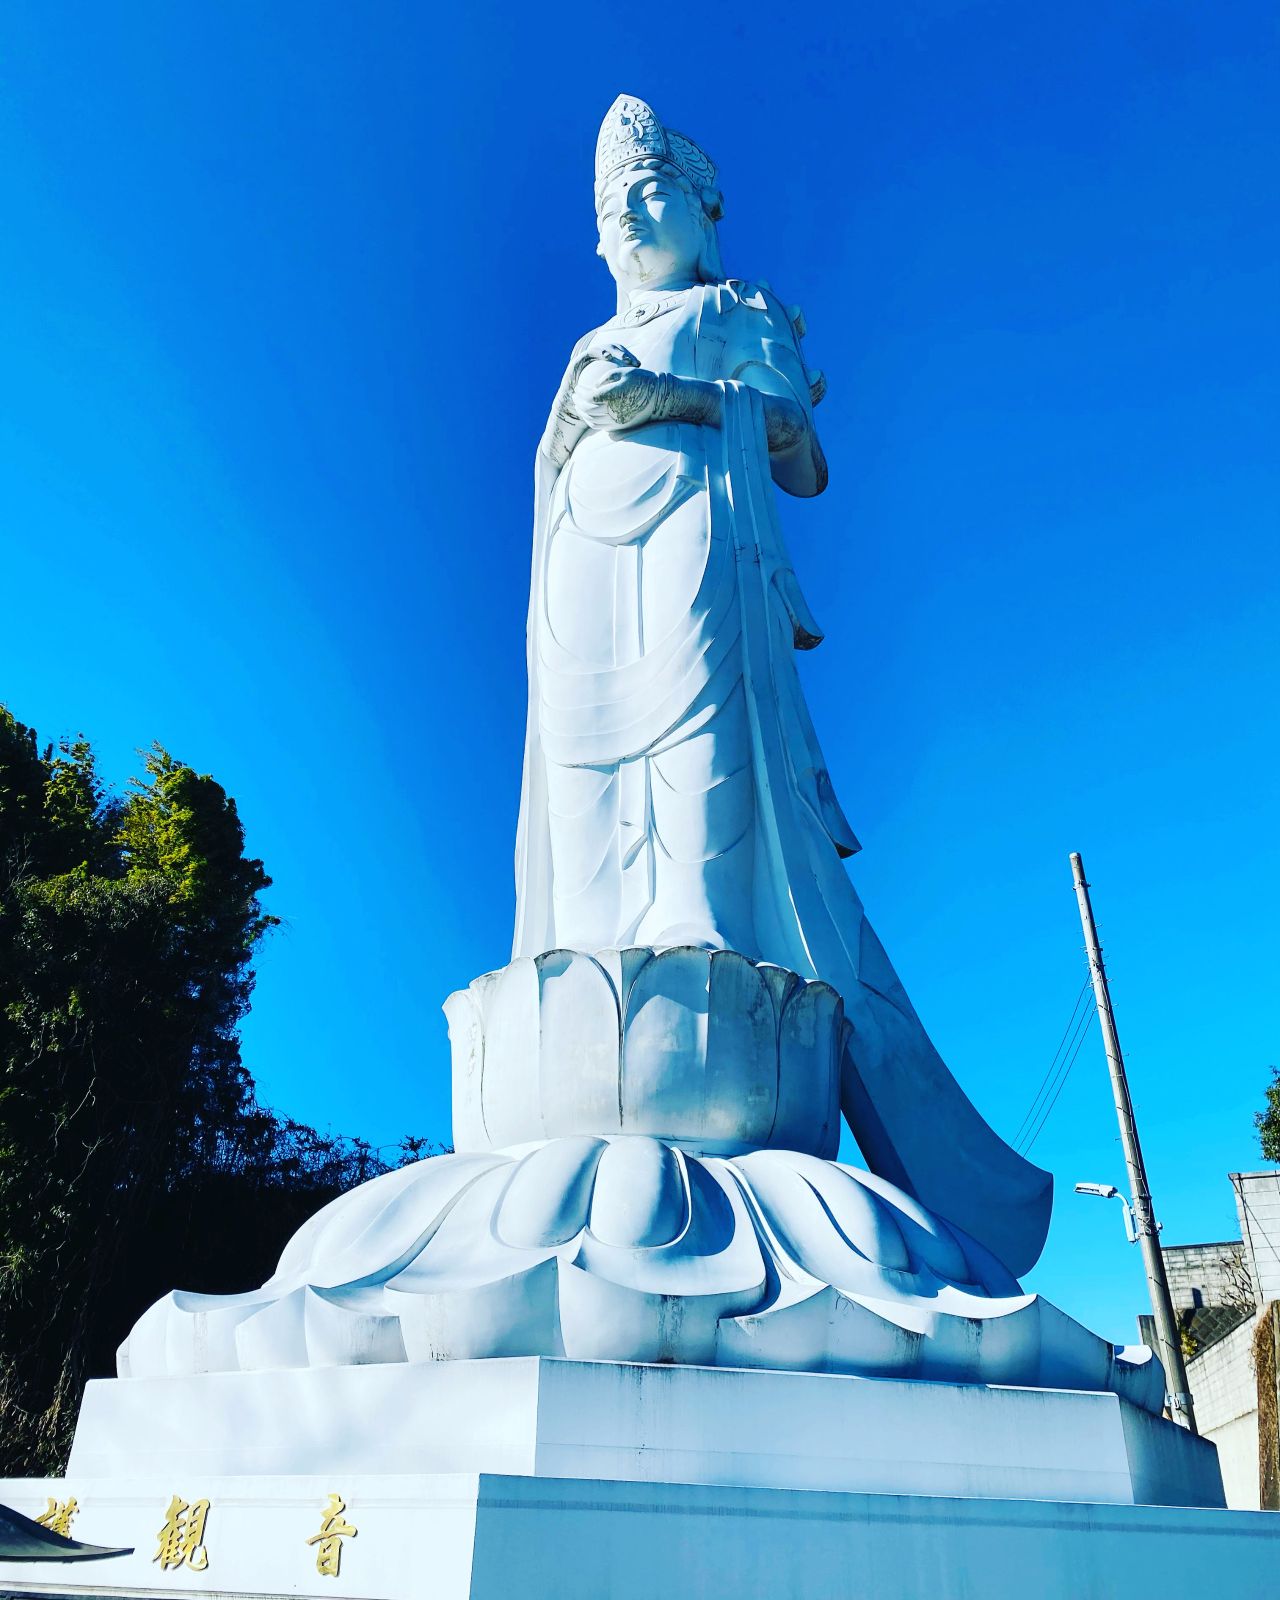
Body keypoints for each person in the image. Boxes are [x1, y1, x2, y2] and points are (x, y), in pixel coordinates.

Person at [513, 96, 1050, 1276]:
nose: (629, 215)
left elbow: (798, 454)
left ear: (703, 208)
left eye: (650, 191)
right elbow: (554, 452)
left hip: (696, 532)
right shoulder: (587, 346)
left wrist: (678, 400)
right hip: (581, 566)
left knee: (695, 722)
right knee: (582, 759)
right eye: (611, 206)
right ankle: (590, 939)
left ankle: (697, 928)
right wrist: (586, 413)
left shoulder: (731, 310)